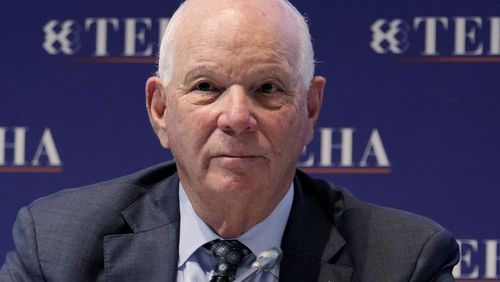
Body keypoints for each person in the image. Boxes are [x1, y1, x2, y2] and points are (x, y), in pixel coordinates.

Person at [0, 0, 459, 281]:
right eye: (205, 87)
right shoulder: (59, 247)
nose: (237, 117)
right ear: (160, 109)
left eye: (267, 89)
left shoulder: (402, 262)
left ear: (310, 109)